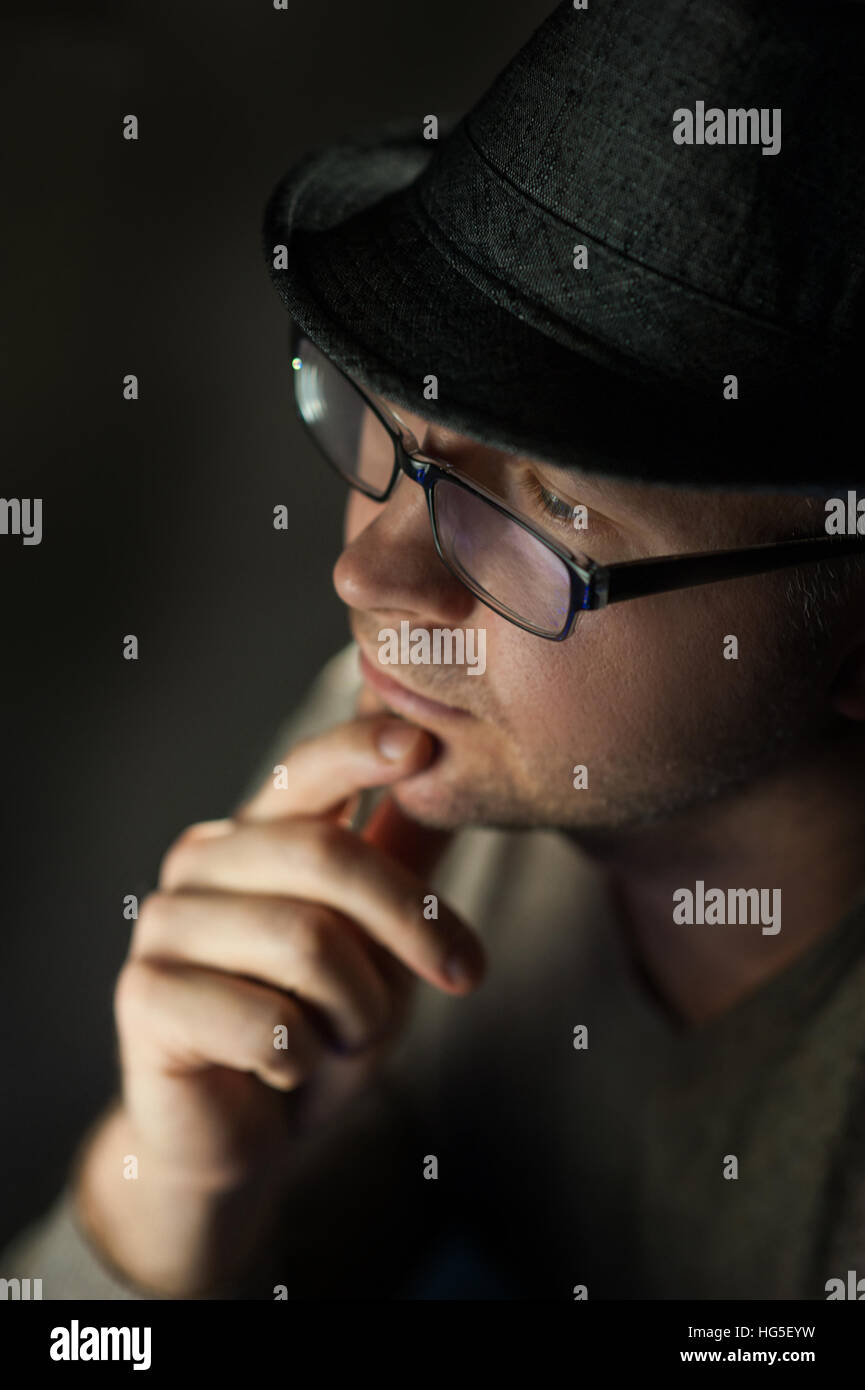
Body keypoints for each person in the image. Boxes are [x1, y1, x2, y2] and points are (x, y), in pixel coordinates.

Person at [5, 0, 865, 1300]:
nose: (371, 573)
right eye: (385, 431)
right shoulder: (402, 774)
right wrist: (166, 1201)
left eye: (539, 508)